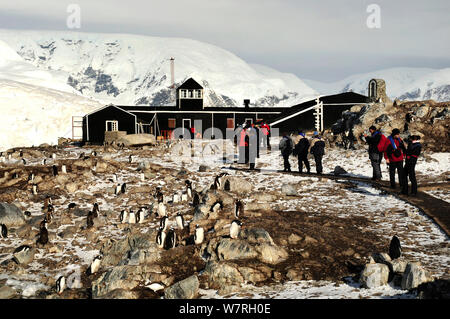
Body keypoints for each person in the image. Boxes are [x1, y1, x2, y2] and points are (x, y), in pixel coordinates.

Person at [384, 128, 407, 194]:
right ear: (394, 134)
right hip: (392, 159)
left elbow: (403, 147)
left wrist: (404, 154)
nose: (398, 135)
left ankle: (401, 184)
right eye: (397, 134)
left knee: (401, 172)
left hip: (399, 158)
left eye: (398, 134)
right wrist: (386, 158)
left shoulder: (399, 139)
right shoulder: (389, 140)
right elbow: (386, 150)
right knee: (392, 172)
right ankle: (393, 185)